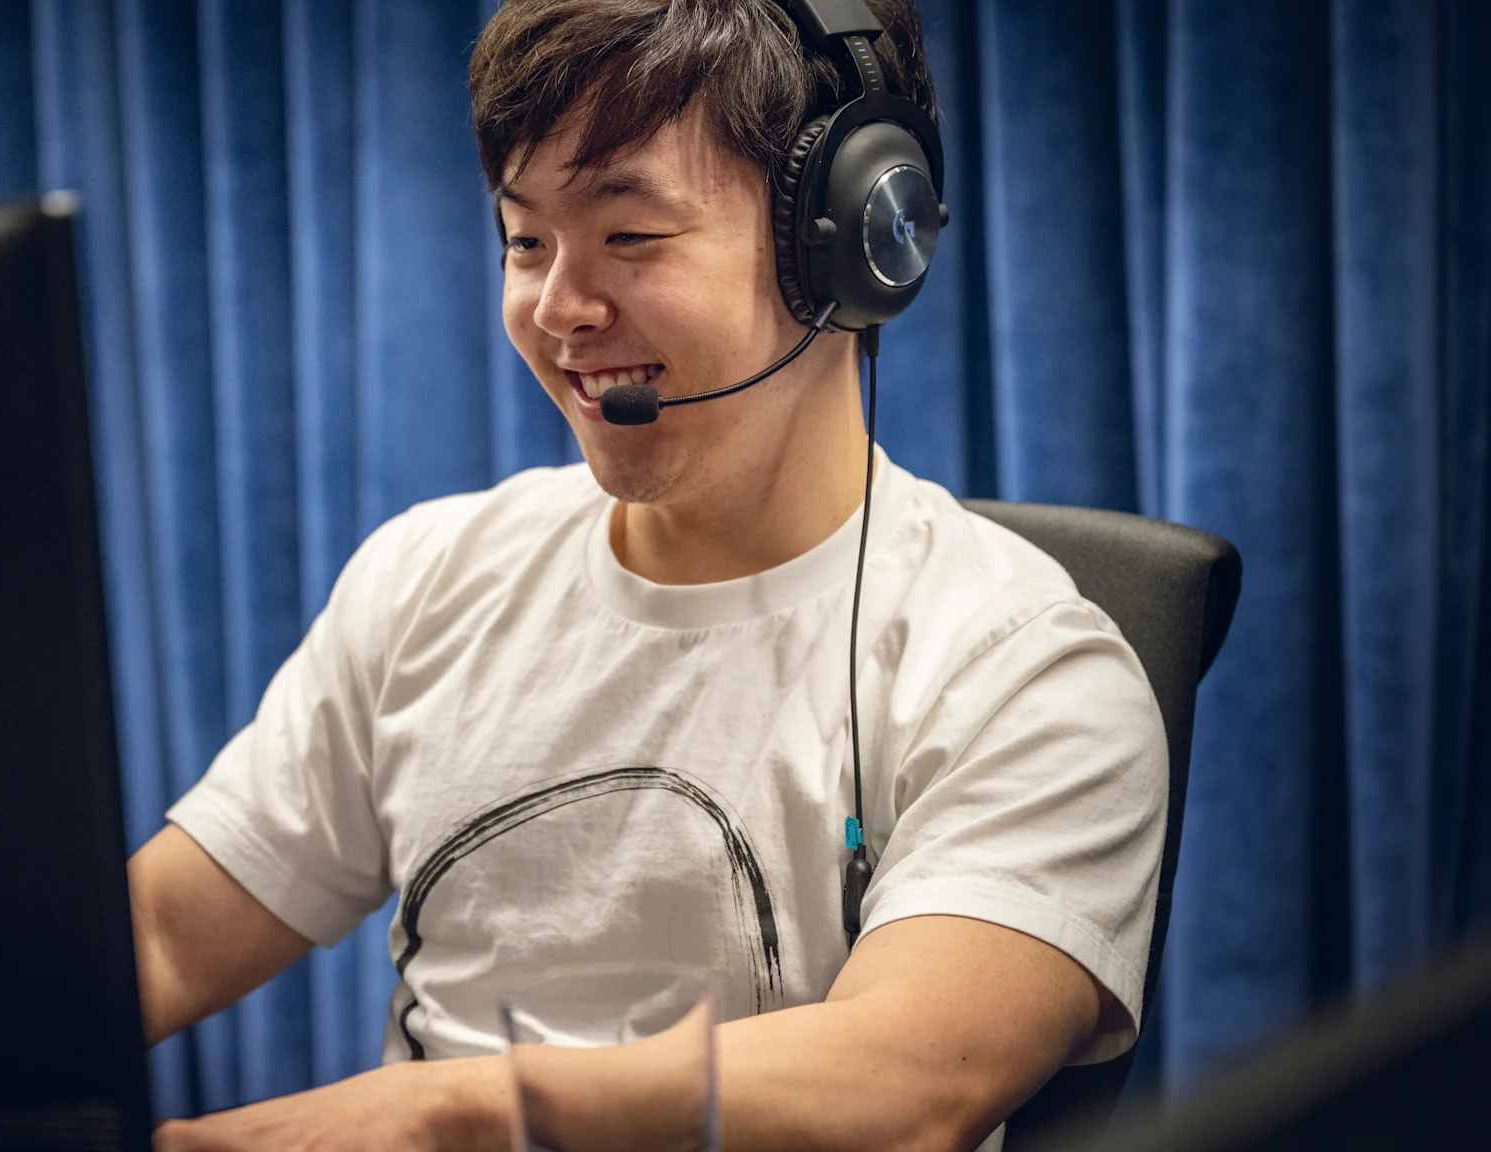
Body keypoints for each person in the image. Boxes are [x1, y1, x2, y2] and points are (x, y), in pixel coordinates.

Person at [130, 1, 1166, 1148]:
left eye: (630, 237)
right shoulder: (430, 576)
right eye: (525, 241)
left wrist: (454, 1115)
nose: (558, 310)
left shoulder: (1024, 667)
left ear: (849, 243)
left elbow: (909, 1079)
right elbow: (166, 937)